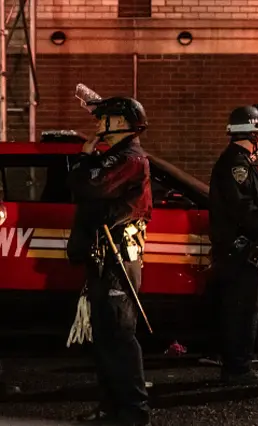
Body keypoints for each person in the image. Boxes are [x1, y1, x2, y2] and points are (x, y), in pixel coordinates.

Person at [67, 96, 152, 426]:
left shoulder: (129, 158)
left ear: (119, 123)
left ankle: (133, 411)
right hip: (105, 257)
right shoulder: (116, 156)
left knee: (119, 336)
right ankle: (110, 408)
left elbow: (85, 186)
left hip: (118, 260)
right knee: (104, 338)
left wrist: (85, 159)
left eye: (104, 118)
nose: (97, 123)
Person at [208, 104, 258, 385]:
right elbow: (246, 209)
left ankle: (238, 364)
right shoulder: (237, 165)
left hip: (244, 250)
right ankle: (238, 369)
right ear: (253, 133)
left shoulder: (242, 162)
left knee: (244, 308)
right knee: (242, 309)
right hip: (242, 252)